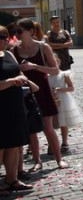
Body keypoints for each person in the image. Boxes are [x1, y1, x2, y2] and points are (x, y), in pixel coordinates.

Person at [14, 18, 66, 170]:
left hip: (42, 89)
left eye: (19, 31)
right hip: (25, 91)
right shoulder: (14, 50)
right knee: (31, 129)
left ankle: (59, 159)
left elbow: (55, 70)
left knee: (48, 127)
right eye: (14, 32)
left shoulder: (43, 47)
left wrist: (34, 66)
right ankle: (37, 161)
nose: (16, 34)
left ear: (30, 31)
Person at [0, 26, 35, 191]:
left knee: (14, 143)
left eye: (6, 37)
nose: (5, 40)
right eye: (1, 37)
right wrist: (11, 81)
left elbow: (18, 72)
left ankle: (12, 179)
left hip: (14, 103)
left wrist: (22, 77)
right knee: (1, 144)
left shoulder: (8, 54)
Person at [49, 67, 83, 153]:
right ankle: (51, 143)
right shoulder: (46, 76)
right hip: (50, 99)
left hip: (63, 99)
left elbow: (71, 88)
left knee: (63, 121)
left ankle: (64, 142)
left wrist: (59, 89)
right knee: (50, 122)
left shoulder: (64, 75)